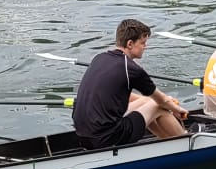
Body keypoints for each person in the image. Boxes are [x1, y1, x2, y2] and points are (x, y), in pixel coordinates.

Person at [73, 18, 190, 147]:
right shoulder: (131, 69)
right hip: (108, 138)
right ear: (130, 44)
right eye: (143, 42)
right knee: (158, 106)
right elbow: (161, 100)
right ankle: (186, 141)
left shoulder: (99, 58)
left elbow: (117, 94)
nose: (146, 46)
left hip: (82, 135)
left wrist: (150, 102)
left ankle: (168, 141)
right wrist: (176, 109)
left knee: (150, 102)